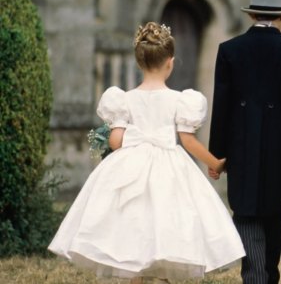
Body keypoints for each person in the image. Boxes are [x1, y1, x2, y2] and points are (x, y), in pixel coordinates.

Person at [48, 22, 245, 284]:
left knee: (133, 225)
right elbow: (188, 141)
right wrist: (216, 163)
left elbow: (116, 142)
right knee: (166, 225)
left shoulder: (123, 99)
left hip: (131, 166)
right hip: (169, 167)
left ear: (139, 62)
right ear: (170, 63)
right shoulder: (181, 99)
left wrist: (122, 133)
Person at [208, 0, 281, 283]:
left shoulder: (229, 49)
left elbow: (222, 105)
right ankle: (266, 273)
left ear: (252, 14)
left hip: (239, 146)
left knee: (244, 209)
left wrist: (218, 154)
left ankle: (254, 275)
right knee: (273, 208)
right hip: (279, 149)